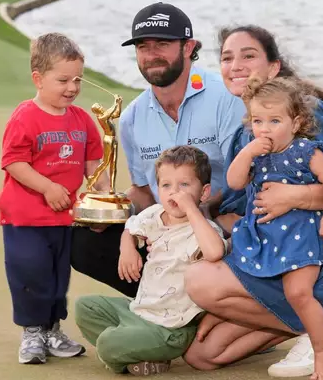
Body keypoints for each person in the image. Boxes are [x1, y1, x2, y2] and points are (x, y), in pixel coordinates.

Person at [183, 25, 323, 379]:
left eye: (248, 55)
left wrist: (296, 196)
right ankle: (313, 331)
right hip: (278, 258)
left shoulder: (304, 116)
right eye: (227, 58)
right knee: (204, 354)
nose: (236, 65)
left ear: (273, 67)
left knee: (200, 281)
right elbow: (241, 199)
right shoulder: (250, 133)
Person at [70, 2, 245, 298]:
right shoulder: (132, 118)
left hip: (221, 223)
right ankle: (165, 306)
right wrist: (108, 211)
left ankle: (225, 310)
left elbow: (241, 181)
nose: (151, 55)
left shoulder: (226, 98)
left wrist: (193, 218)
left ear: (189, 47)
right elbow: (144, 191)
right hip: (166, 227)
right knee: (83, 242)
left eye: (162, 44)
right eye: (143, 46)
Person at [227, 76, 323, 380]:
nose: (264, 129)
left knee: (298, 292)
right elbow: (234, 182)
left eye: (274, 120)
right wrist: (247, 153)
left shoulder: (304, 151)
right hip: (266, 238)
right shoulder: (256, 152)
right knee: (242, 281)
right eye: (257, 121)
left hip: (301, 237)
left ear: (295, 123)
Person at [0, 32, 109, 365]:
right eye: (63, 80)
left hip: (64, 219)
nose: (72, 87)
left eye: (77, 79)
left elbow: (94, 165)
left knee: (58, 277)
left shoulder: (82, 120)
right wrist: (47, 187)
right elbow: (14, 161)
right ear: (38, 78)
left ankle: (52, 329)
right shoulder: (25, 116)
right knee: (30, 272)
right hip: (25, 218)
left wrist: (104, 198)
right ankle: (32, 332)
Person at [74, 146, 228, 376]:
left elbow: (215, 252)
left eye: (184, 185)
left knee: (108, 342)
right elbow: (130, 227)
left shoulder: (204, 230)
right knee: (85, 307)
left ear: (204, 192)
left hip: (172, 328)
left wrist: (191, 209)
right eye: (166, 185)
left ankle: (133, 352)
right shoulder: (153, 214)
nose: (174, 192)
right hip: (139, 311)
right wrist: (128, 248)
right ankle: (139, 353)